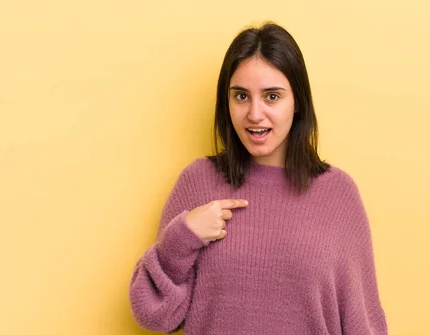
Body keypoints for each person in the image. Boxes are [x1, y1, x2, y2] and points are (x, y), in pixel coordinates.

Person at [129, 22, 388, 334]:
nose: (254, 113)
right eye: (241, 96)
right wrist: (182, 237)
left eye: (272, 97)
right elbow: (153, 316)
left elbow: (363, 322)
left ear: (297, 103)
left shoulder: (338, 194)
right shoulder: (197, 182)